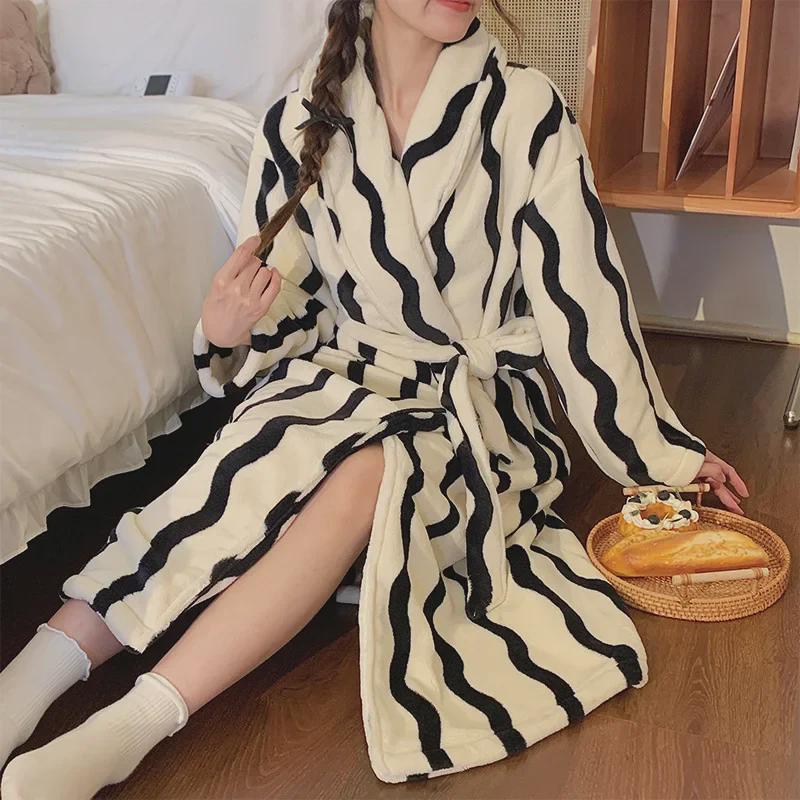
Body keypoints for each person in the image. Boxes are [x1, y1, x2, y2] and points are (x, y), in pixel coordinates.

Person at [1, 0, 749, 795]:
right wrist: (225, 331)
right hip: (342, 375)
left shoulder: (526, 111)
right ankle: (33, 675)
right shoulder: (298, 119)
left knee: (372, 465)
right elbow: (290, 308)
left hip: (472, 405)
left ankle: (134, 725)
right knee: (244, 466)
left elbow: (584, 303)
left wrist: (661, 454)